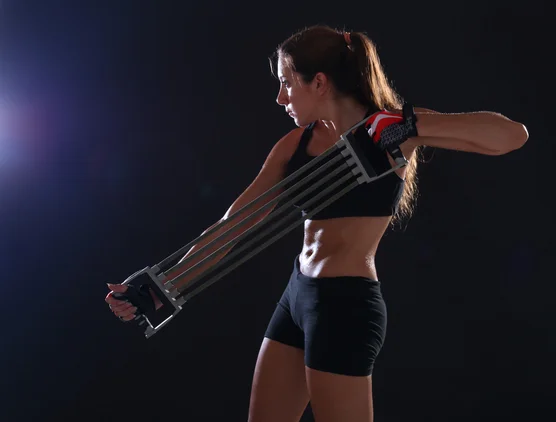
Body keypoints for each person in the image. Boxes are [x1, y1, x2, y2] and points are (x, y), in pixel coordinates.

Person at [105, 25, 528, 422]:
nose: (280, 98)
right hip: (297, 295)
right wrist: (162, 287)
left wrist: (409, 124)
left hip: (345, 306)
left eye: (287, 83)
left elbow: (512, 136)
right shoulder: (296, 144)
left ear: (320, 83)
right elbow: (234, 224)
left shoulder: (394, 130)